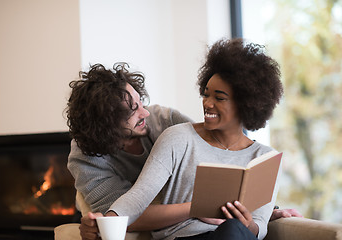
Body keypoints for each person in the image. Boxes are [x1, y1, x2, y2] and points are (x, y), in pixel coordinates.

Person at [66, 58, 302, 240]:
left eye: (141, 102)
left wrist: (265, 211)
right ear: (106, 125)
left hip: (226, 232)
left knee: (233, 230)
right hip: (177, 231)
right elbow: (132, 205)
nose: (145, 113)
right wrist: (104, 222)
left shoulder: (165, 121)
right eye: (131, 111)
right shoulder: (86, 157)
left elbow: (215, 153)